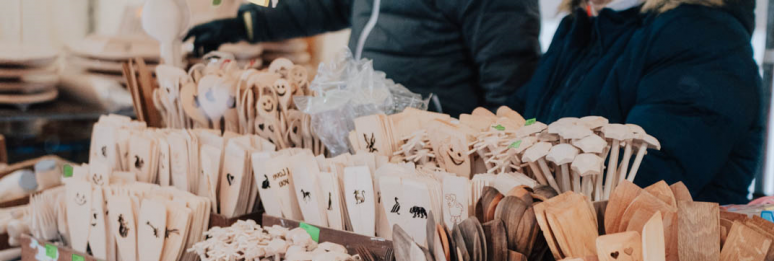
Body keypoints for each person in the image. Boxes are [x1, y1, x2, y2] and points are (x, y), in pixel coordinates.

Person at [507, 0, 763, 204]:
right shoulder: (580, 25)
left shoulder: (702, 34)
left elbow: (639, 182)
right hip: (567, 254)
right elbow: (521, 121)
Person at [184, 0, 541, 116]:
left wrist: (496, 161)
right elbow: (326, 5)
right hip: (365, 138)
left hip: (437, 153)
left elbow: (510, 77)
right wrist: (245, 24)